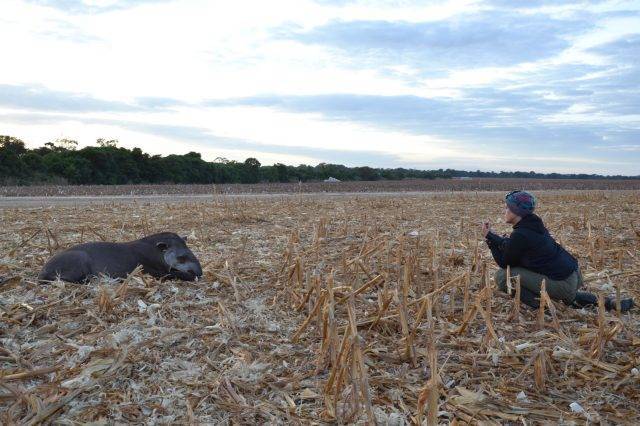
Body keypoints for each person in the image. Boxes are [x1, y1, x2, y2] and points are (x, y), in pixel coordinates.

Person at [481, 190, 633, 312]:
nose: (505, 210)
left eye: (507, 207)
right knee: (570, 297)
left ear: (516, 211)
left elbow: (504, 263)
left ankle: (545, 307)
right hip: (573, 275)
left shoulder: (521, 234)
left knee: (502, 276)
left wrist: (490, 241)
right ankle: (610, 303)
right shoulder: (533, 225)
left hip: (563, 283)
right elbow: (510, 245)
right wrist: (492, 236)